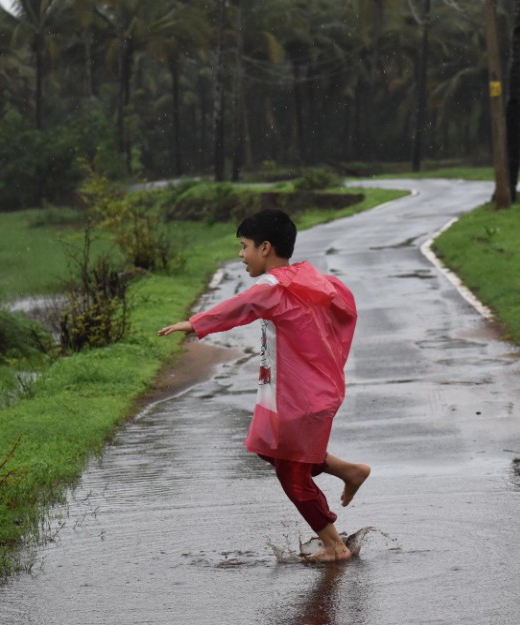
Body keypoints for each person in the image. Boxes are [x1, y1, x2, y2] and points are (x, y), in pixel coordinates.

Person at [158, 209, 370, 563]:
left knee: (292, 474)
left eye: (244, 246)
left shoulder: (272, 286)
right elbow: (342, 304)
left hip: (299, 398)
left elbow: (237, 307)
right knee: (268, 447)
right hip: (311, 391)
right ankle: (350, 471)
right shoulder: (308, 277)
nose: (241, 255)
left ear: (265, 248)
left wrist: (193, 324)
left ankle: (335, 546)